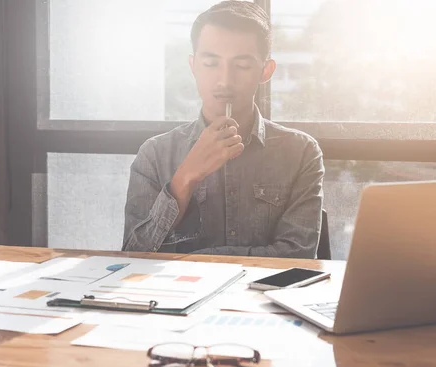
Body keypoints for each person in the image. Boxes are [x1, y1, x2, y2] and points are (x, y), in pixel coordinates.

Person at [122, 1, 324, 258]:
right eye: (210, 63)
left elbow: (297, 255)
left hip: (261, 297)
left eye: (241, 66)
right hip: (176, 298)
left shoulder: (301, 152)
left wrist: (199, 259)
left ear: (265, 71)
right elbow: (132, 254)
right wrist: (185, 177)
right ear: (193, 66)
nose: (225, 80)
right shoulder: (154, 153)